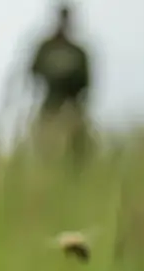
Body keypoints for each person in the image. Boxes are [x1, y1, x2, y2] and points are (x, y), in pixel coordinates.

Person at [29, 4, 91, 164]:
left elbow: (86, 81)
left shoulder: (78, 52)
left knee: (78, 146)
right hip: (51, 103)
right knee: (46, 144)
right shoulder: (46, 48)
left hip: (73, 104)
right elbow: (33, 71)